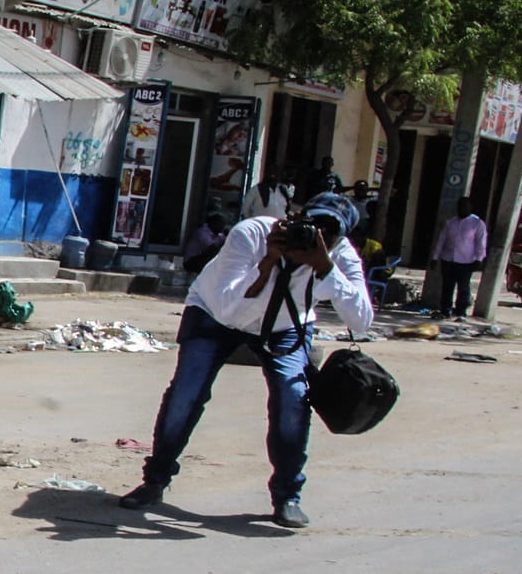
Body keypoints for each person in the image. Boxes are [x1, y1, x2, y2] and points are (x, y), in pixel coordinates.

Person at [118, 191, 375, 529]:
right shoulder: (253, 234)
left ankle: (287, 496)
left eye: (330, 231)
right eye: (313, 224)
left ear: (342, 237)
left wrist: (325, 266)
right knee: (186, 393)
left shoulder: (338, 257)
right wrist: (268, 263)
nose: (317, 235)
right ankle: (155, 480)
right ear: (297, 217)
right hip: (213, 314)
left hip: (285, 325)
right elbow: (227, 308)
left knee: (292, 398)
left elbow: (362, 322)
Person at [430, 196, 487, 320]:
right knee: (447, 286)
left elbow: (481, 243)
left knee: (463, 287)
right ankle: (445, 310)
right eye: (460, 206)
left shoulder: (477, 223)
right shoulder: (450, 222)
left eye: (465, 206)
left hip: (466, 261)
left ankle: (461, 312)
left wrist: (479, 259)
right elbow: (441, 241)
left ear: (470, 207)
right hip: (448, 259)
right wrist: (435, 257)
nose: (461, 208)